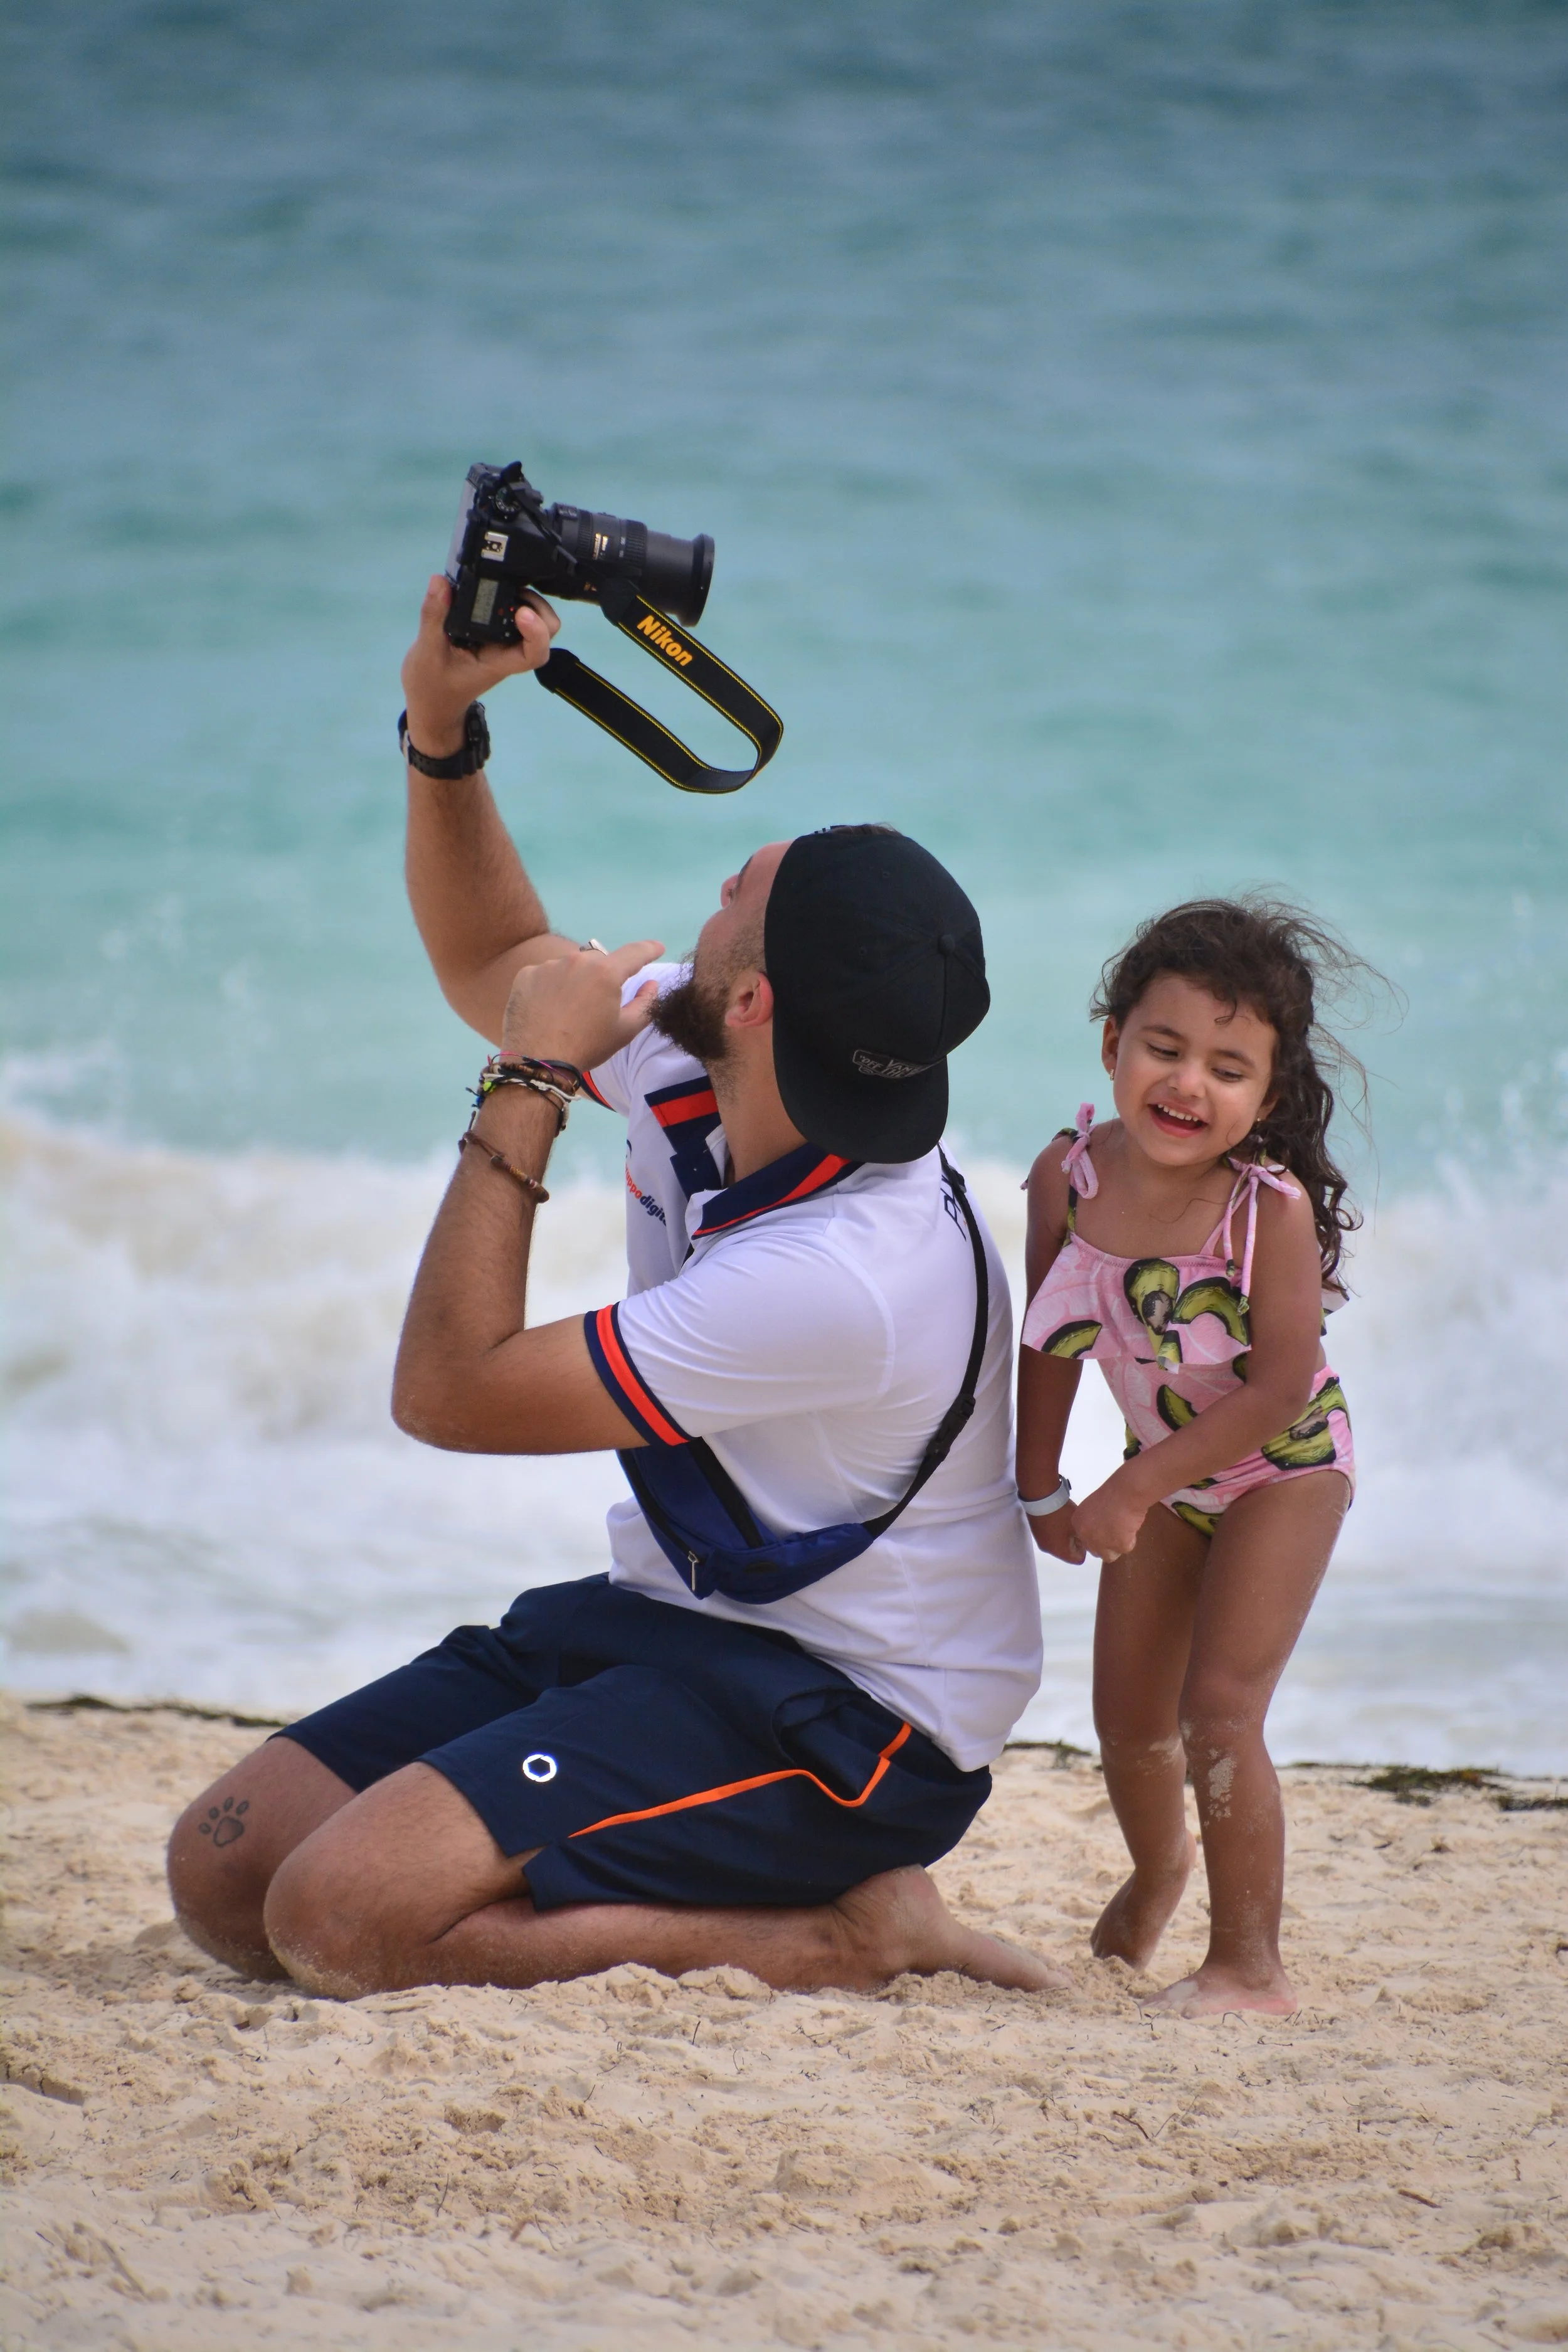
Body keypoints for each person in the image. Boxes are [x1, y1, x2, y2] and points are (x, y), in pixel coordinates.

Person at [167, 575, 1057, 2000]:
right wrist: (442, 725)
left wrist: (527, 1080)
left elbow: (445, 1394)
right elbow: (494, 961)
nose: (719, 882)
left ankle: (846, 1935)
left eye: (742, 894)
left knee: (335, 1918)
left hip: (849, 1720)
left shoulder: (845, 1276)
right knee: (223, 1872)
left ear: (756, 1000)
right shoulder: (732, 1056)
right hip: (667, 1623)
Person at [1017, 899, 1367, 2018]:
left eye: (1229, 1068)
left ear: (1265, 1099)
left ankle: (1249, 1966)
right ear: (1113, 1041)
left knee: (1220, 1709)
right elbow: (1049, 1335)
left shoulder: (1269, 1213)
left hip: (1286, 1467)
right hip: (1158, 1466)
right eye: (1165, 1048)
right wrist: (1041, 1485)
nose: (1188, 1084)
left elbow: (1275, 1390)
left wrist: (1132, 1484)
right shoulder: (1066, 1178)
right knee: (1126, 1719)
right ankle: (1161, 1867)